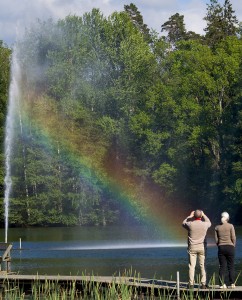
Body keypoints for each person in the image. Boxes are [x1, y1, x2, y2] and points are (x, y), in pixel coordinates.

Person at [182, 210, 211, 289]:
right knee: (202, 266)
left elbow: (183, 223)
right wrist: (204, 215)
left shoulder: (190, 224)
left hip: (192, 248)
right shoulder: (205, 224)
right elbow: (209, 222)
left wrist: (189, 216)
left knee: (192, 266)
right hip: (201, 248)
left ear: (194, 216)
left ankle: (191, 284)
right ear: (201, 216)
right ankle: (203, 284)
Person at [215, 212, 236, 289]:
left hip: (221, 247)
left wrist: (219, 245)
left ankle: (221, 284)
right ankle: (232, 283)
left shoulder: (217, 227)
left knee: (222, 266)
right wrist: (233, 245)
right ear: (228, 218)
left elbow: (216, 240)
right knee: (231, 266)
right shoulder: (231, 226)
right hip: (230, 247)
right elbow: (233, 237)